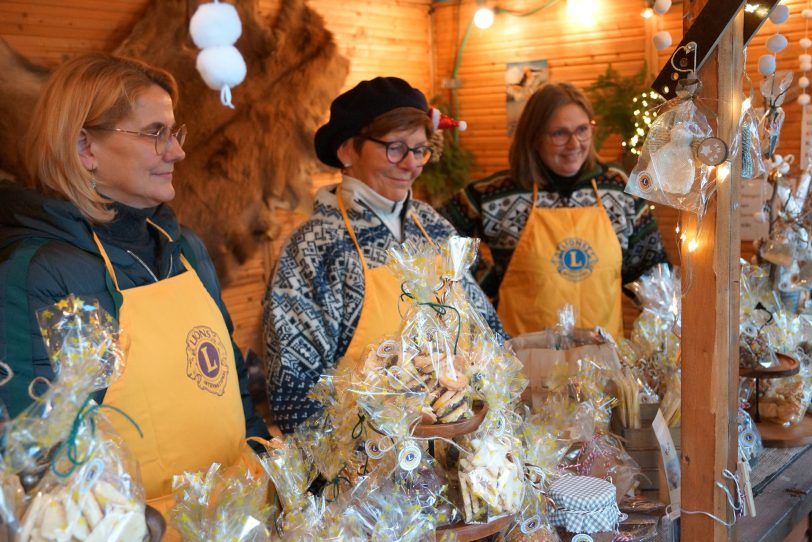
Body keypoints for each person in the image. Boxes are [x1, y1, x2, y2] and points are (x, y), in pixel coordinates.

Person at [0, 53, 269, 512]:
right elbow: (32, 457)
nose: (178, 152)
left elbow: (232, 387)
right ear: (85, 147)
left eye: (173, 131)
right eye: (155, 133)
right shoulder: (38, 271)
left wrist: (267, 469)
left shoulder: (185, 249)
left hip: (240, 517)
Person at [264, 76, 506, 433]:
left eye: (420, 149)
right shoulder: (315, 247)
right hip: (368, 469)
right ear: (347, 150)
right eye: (395, 147)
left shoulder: (433, 226)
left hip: (463, 451)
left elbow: (488, 333)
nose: (411, 165)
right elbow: (293, 395)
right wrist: (378, 444)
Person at [440, 82, 668, 339]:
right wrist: (487, 283)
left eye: (583, 130)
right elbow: (437, 235)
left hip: (600, 365)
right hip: (520, 365)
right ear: (534, 137)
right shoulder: (495, 194)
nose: (574, 144)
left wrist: (662, 328)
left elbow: (651, 271)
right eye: (559, 133)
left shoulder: (616, 187)